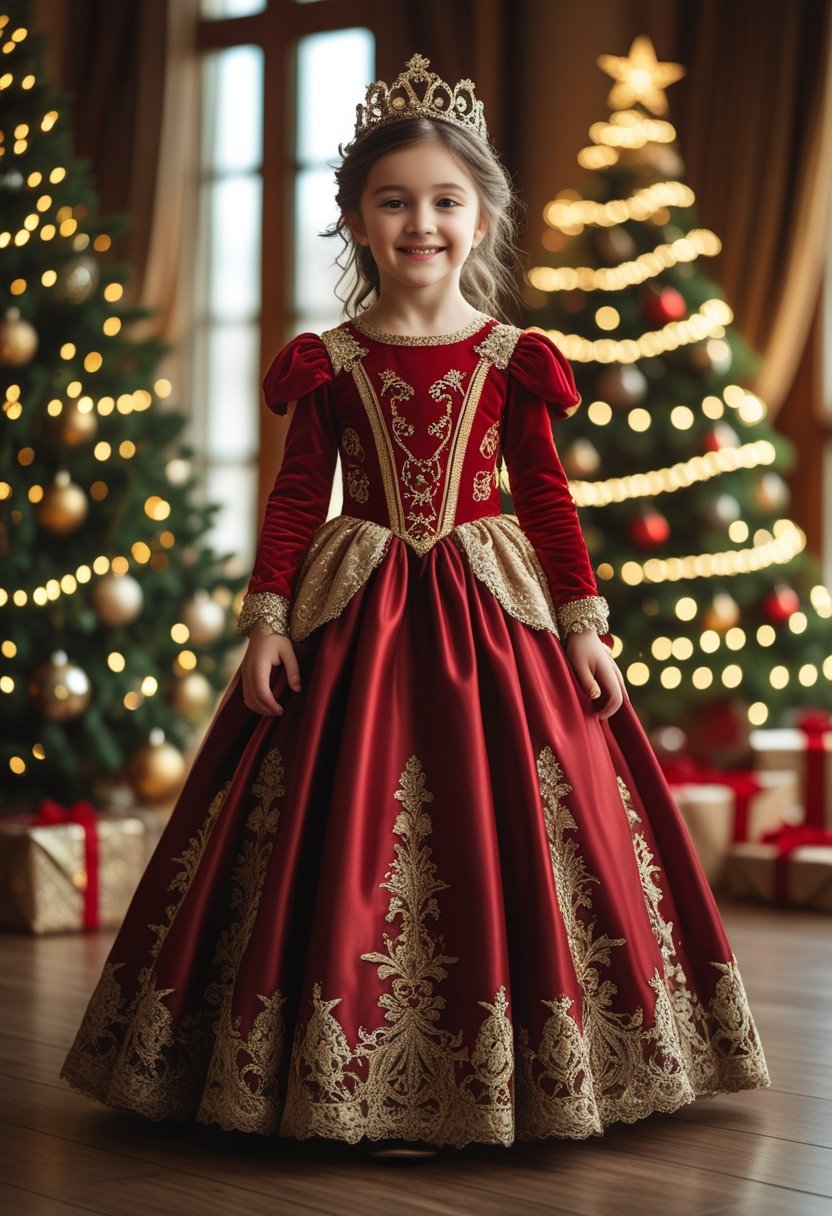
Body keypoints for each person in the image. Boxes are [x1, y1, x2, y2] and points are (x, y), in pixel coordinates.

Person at [60, 53, 769, 1164]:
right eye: (394, 202)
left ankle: (529, 1066)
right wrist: (267, 624)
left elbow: (544, 496)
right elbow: (299, 498)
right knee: (334, 833)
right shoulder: (331, 362)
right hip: (359, 611)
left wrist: (582, 627)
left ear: (480, 216)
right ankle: (333, 1069)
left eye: (445, 202)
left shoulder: (510, 357)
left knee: (520, 831)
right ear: (354, 219)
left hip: (497, 615)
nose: (421, 223)